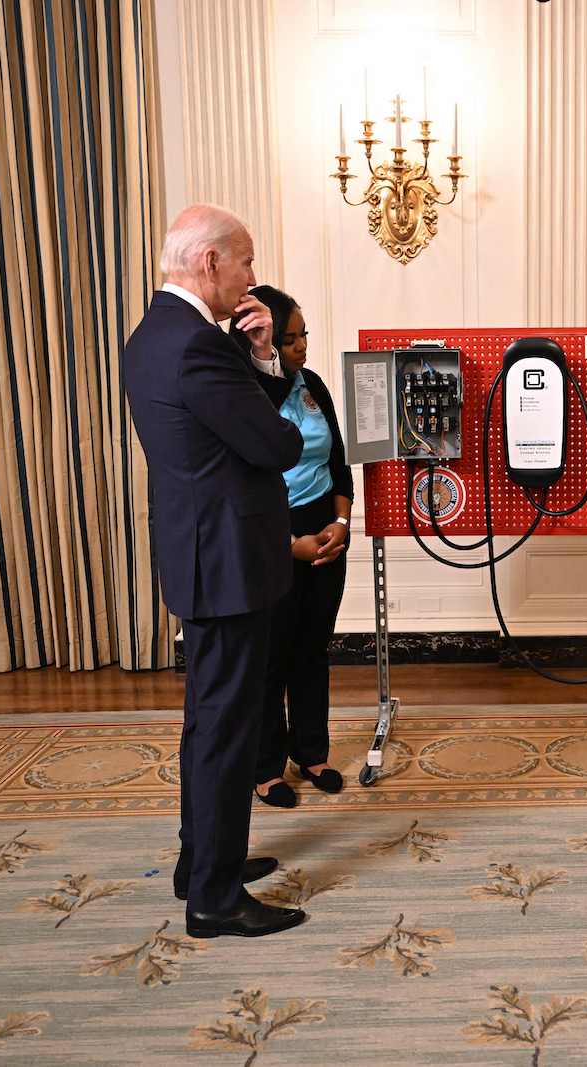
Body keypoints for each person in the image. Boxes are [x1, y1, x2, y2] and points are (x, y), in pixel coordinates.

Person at [121, 204, 308, 939]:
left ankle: (200, 862)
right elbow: (276, 446)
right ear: (210, 264)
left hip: (203, 555)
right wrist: (268, 376)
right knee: (228, 728)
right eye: (247, 262)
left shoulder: (156, 334)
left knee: (208, 723)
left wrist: (260, 356)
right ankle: (214, 898)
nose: (253, 277)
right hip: (229, 561)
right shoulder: (196, 346)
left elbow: (233, 426)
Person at [228, 285, 353, 808]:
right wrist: (288, 546)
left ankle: (312, 751)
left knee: (311, 648)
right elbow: (235, 484)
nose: (303, 346)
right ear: (266, 340)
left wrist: (342, 523)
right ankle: (265, 766)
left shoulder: (314, 386)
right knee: (270, 657)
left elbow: (339, 463)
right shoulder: (241, 394)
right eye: (292, 337)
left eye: (305, 335)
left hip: (325, 532)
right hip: (271, 535)